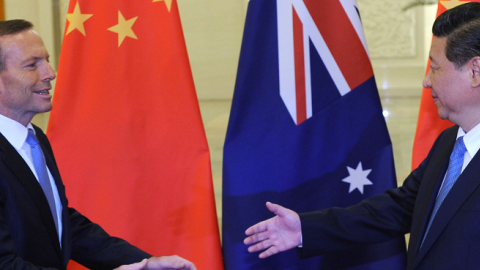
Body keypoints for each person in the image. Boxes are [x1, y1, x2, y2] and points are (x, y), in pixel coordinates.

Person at [244, 2, 480, 270]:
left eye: (435, 68)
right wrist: (305, 229)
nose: (426, 81)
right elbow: (399, 209)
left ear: (475, 71)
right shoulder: (449, 143)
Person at [0, 19, 196, 270]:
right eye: (31, 65)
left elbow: (61, 224)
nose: (50, 72)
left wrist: (145, 263)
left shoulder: (34, 137)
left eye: (46, 60)